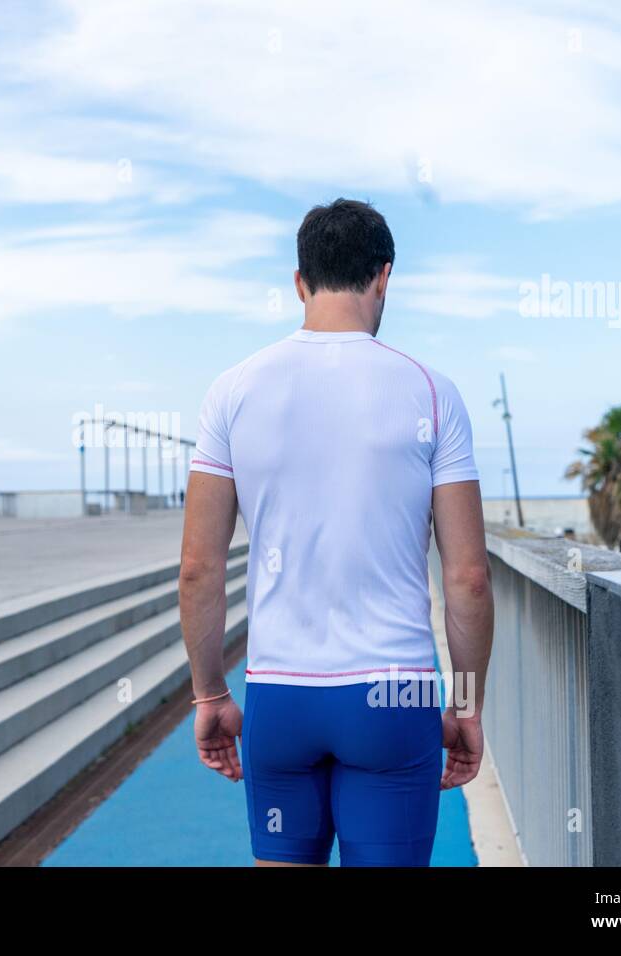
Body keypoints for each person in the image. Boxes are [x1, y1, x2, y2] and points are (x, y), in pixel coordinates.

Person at [178, 199, 494, 867]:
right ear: (384, 278)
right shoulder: (433, 393)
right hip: (395, 693)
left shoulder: (232, 391)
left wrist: (210, 693)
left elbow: (199, 570)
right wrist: (465, 706)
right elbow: (467, 575)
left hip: (278, 693)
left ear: (300, 282)